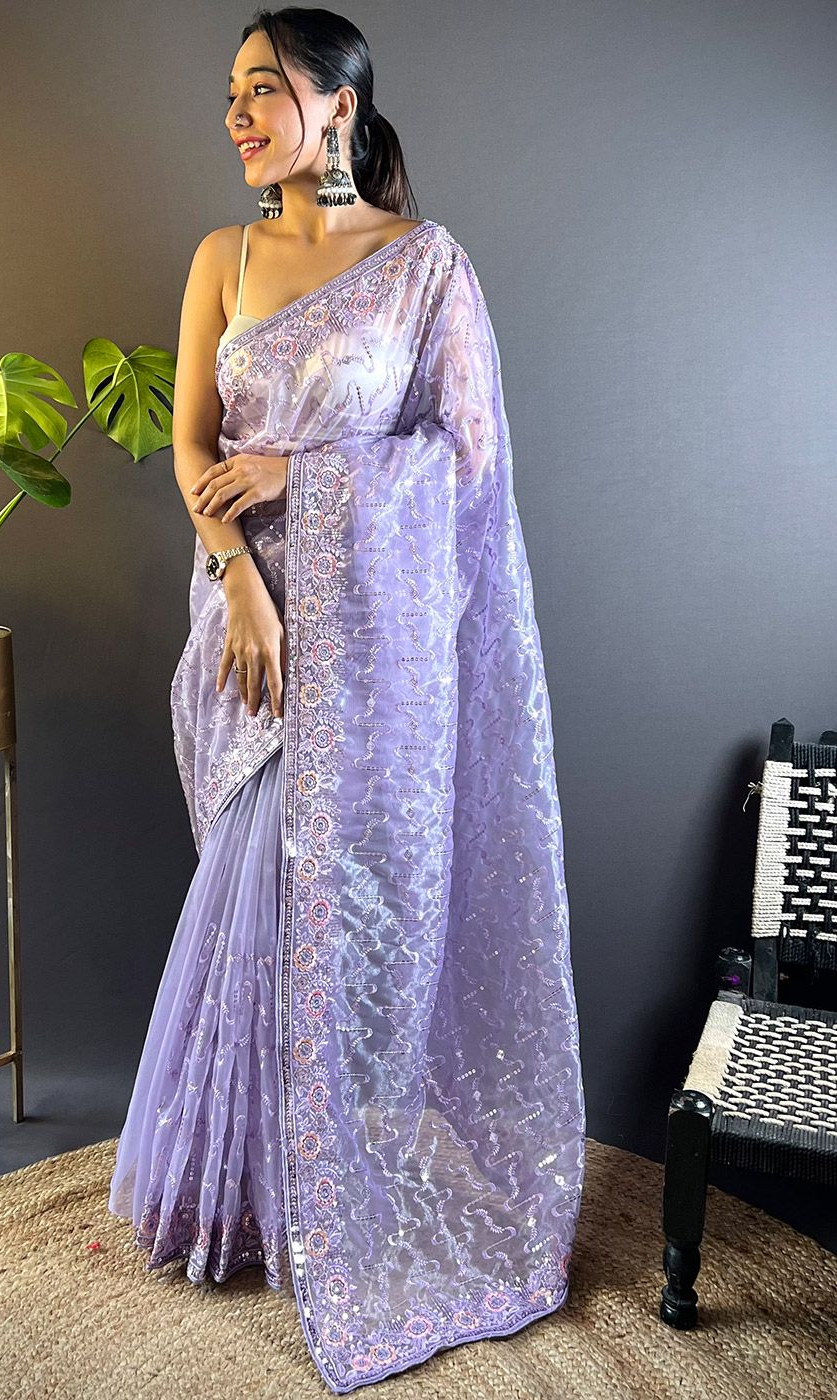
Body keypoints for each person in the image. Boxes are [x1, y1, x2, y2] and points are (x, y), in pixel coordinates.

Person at [108, 7, 587, 1393]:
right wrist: (240, 582)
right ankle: (230, 1197)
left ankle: (327, 1193)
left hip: (375, 649)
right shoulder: (223, 258)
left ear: (339, 107)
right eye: (231, 93)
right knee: (253, 897)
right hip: (247, 627)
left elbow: (470, 467)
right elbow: (193, 447)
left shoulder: (426, 269)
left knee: (335, 913)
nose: (237, 114)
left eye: (264, 89)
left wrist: (307, 480)